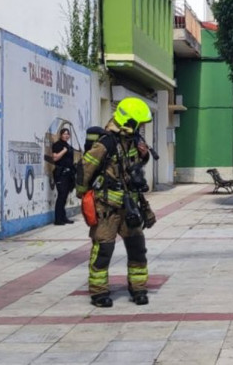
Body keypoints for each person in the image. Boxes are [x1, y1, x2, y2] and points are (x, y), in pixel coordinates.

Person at [77, 97, 157, 308]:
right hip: (106, 208)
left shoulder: (132, 142)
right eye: (137, 122)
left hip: (129, 204)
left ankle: (138, 289)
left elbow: (134, 169)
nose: (140, 127)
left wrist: (144, 155)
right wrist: (83, 195)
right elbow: (85, 168)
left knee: (137, 248)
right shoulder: (106, 143)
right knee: (103, 250)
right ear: (127, 121)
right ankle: (99, 293)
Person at [52, 128, 76, 225]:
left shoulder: (69, 146)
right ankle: (58, 219)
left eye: (68, 134)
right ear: (61, 135)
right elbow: (55, 158)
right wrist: (64, 151)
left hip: (68, 174)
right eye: (64, 134)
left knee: (65, 196)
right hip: (60, 173)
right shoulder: (57, 145)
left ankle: (63, 217)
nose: (66, 135)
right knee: (61, 196)